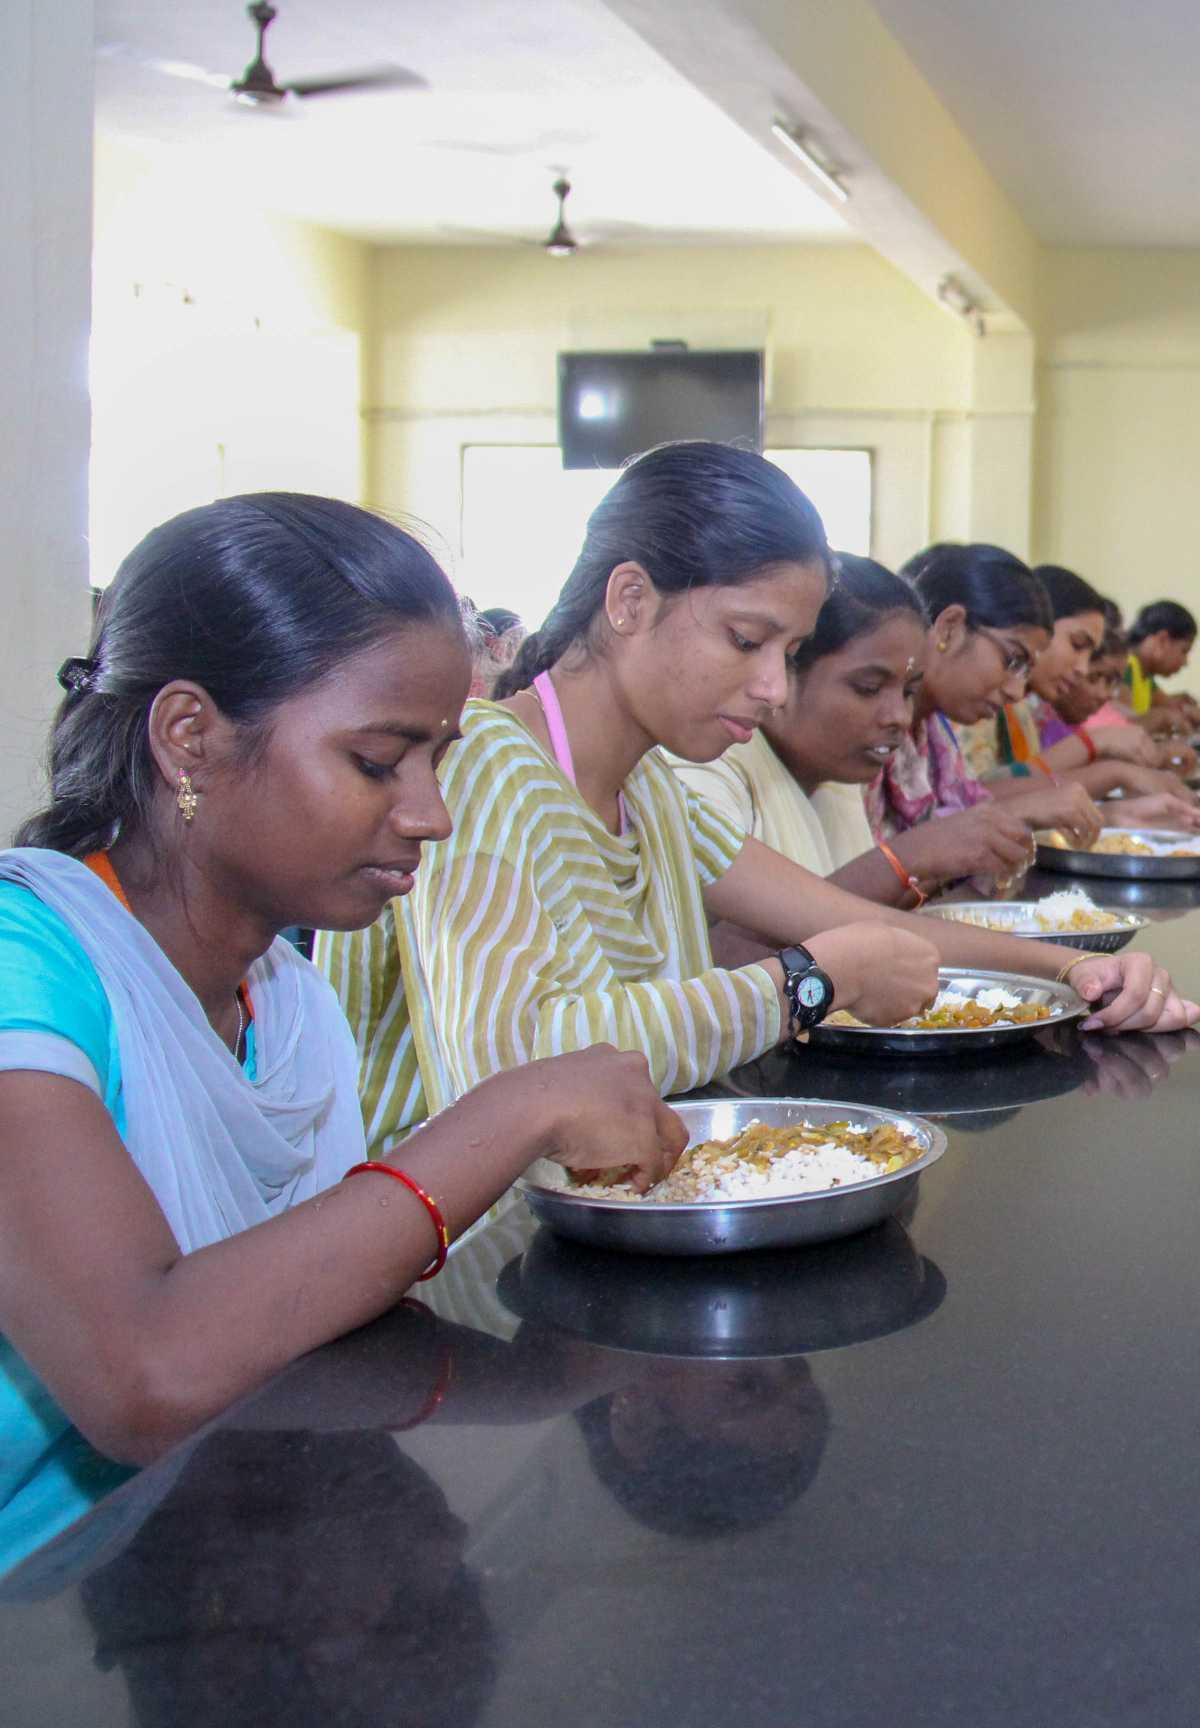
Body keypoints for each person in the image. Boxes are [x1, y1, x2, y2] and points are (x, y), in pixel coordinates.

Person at [0, 494, 689, 1561]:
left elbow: (302, 1324)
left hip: (183, 1547)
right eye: (378, 762)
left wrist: (531, 1387)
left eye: (439, 761)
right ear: (191, 737)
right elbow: (144, 1374)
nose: (432, 814)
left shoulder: (288, 1006)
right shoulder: (24, 966)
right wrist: (512, 1110)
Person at [319, 446, 1199, 1155]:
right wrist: (807, 982)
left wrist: (1072, 969)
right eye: (746, 640)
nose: (774, 687)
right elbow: (510, 1071)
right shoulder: (486, 767)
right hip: (454, 1272)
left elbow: (837, 915)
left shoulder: (650, 788)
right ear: (629, 599)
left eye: (791, 650)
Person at [669, 555, 1035, 925]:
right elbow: (721, 960)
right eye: (868, 688)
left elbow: (860, 922)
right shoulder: (706, 776)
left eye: (909, 692)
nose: (899, 716)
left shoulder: (837, 780)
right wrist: (904, 857)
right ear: (786, 670)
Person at [879, 543, 1107, 849]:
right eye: (1013, 660)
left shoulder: (933, 734)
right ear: (948, 628)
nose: (1016, 691)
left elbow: (969, 803)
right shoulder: (870, 727)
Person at [972, 564, 1200, 825]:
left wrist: (1112, 809)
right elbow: (975, 798)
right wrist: (1099, 754)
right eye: (1076, 645)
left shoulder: (1024, 707)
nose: (1082, 668)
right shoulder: (979, 700)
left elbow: (1026, 787)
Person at [1122, 600, 1200, 731]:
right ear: (1162, 640)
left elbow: (1172, 707)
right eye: (1184, 651)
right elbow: (1124, 726)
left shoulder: (1144, 675)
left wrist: (1183, 708)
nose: (1185, 662)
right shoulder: (1124, 667)